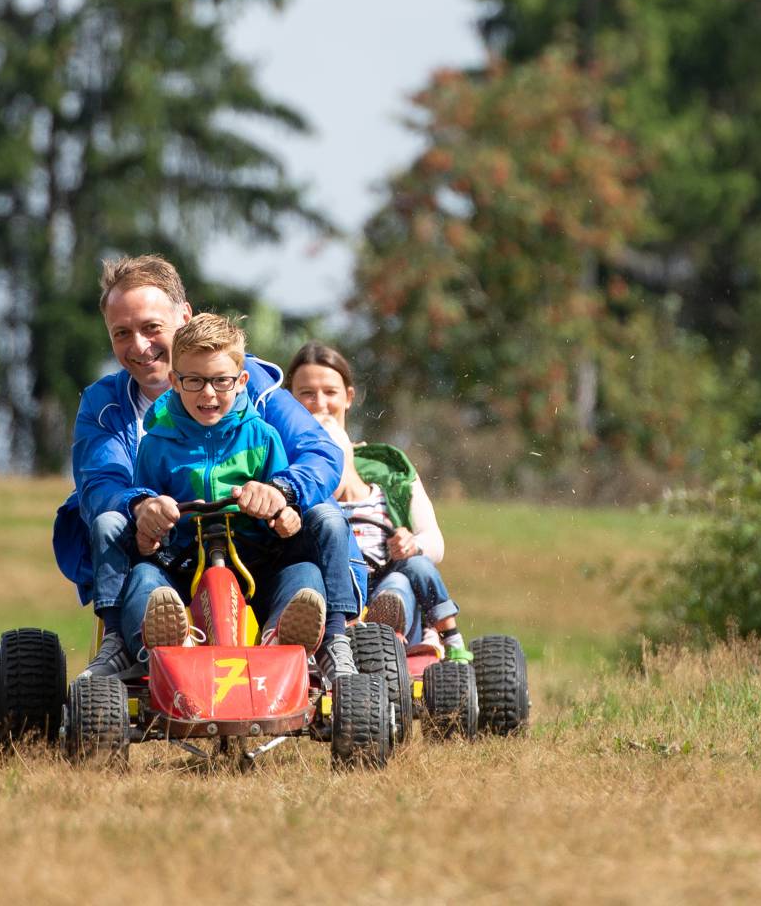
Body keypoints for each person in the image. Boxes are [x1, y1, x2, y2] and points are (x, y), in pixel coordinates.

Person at [50, 255, 351, 680]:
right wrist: (140, 506)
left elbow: (320, 455)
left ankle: (301, 636)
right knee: (116, 534)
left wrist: (282, 492)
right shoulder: (105, 407)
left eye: (152, 327)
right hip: (167, 557)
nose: (139, 346)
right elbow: (99, 483)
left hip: (255, 553)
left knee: (319, 527)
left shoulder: (256, 393)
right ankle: (147, 641)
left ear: (184, 318)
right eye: (122, 333)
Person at [117, 314, 357, 680]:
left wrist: (283, 511)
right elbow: (143, 502)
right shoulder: (155, 446)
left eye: (220, 381)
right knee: (144, 582)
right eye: (194, 381)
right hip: (182, 568)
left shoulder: (263, 437)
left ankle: (285, 639)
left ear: (241, 381)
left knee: (305, 574)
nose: (208, 393)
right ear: (174, 382)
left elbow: (285, 510)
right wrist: (149, 519)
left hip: (256, 565)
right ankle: (167, 643)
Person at [286, 341, 471, 664]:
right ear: (289, 399)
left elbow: (433, 541)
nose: (320, 404)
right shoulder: (286, 473)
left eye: (330, 392)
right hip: (329, 596)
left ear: (349, 396)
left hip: (387, 578)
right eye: (307, 394)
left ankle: (384, 635)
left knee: (402, 578)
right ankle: (343, 639)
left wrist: (411, 543)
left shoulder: (388, 470)